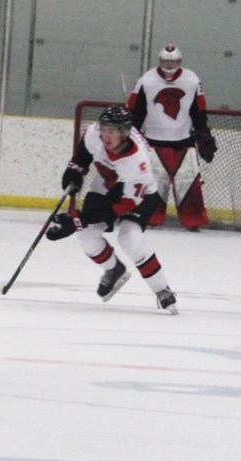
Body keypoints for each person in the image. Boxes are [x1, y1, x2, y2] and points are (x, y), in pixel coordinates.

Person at [46, 105, 178, 314]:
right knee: (87, 236)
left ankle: (162, 289)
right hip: (106, 186)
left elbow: (121, 206)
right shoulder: (93, 133)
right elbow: (82, 156)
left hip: (139, 197)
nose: (106, 136)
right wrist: (74, 171)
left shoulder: (138, 163)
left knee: (129, 239)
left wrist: (76, 219)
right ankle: (114, 269)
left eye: (112, 131)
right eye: (104, 129)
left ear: (125, 133)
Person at [126, 43, 217, 230]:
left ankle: (193, 221)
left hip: (184, 141)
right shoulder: (146, 80)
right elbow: (136, 111)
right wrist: (132, 135)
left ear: (180, 61)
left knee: (189, 183)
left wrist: (203, 132)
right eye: (165, 61)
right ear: (159, 61)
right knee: (154, 182)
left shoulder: (192, 80)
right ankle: (150, 218)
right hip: (152, 142)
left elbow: (198, 110)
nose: (169, 66)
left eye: (173, 61)